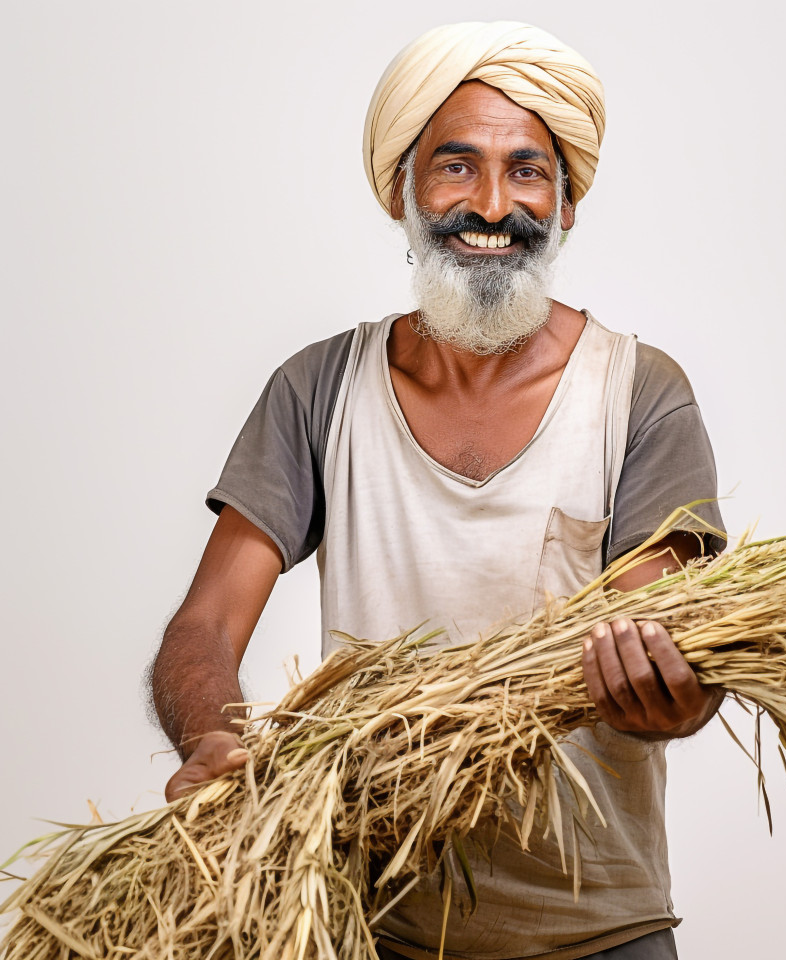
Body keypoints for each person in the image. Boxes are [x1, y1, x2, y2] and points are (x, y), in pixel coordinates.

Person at [150, 21, 725, 960]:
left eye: (528, 171)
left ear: (567, 202)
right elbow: (203, 626)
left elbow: (654, 633)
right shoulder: (320, 390)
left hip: (598, 929)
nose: (493, 204)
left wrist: (672, 692)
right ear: (400, 191)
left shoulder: (638, 393)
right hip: (368, 923)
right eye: (456, 167)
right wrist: (213, 741)